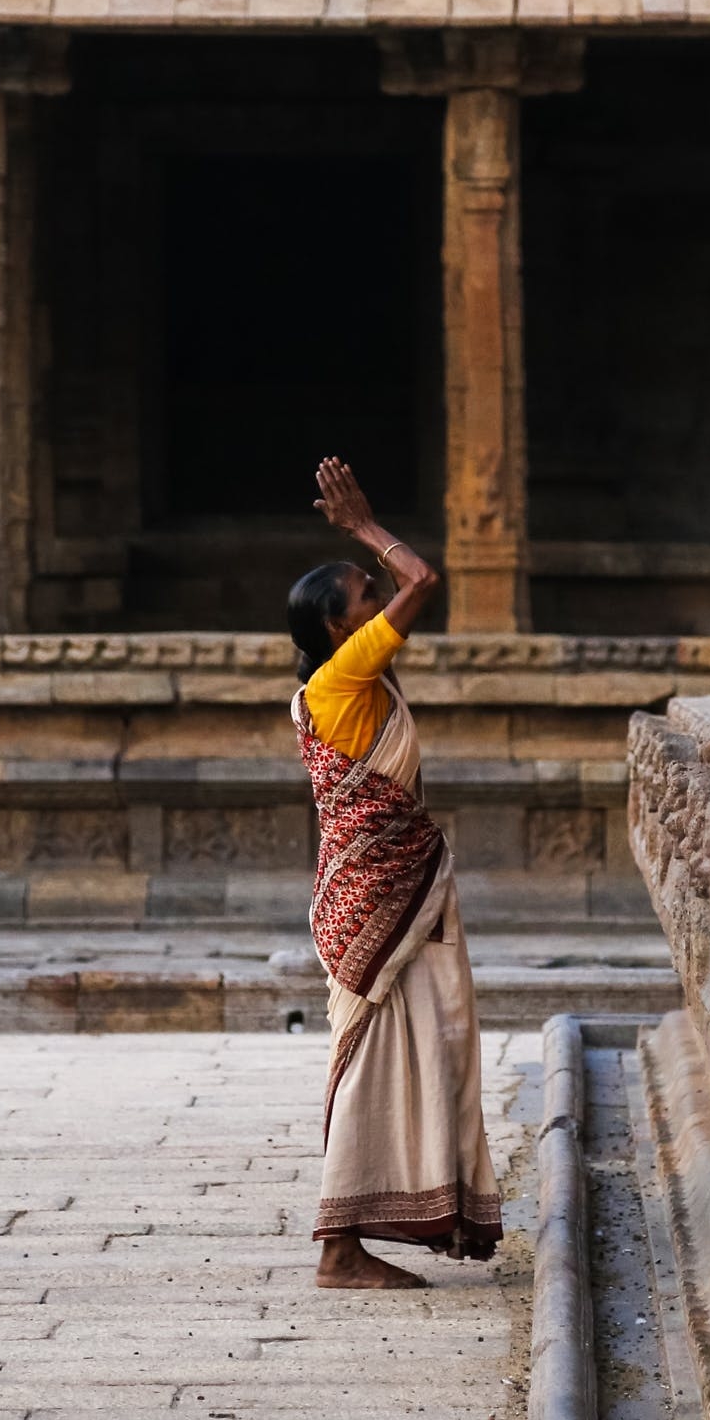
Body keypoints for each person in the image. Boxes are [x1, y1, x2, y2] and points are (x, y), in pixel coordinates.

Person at [287, 457, 504, 1290]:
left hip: (380, 893)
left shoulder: (342, 681)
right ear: (343, 630)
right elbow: (425, 576)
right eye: (366, 600)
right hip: (380, 896)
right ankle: (340, 1249)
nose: (382, 601)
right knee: (375, 1056)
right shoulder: (344, 676)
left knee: (421, 1045)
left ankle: (411, 1209)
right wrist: (367, 531)